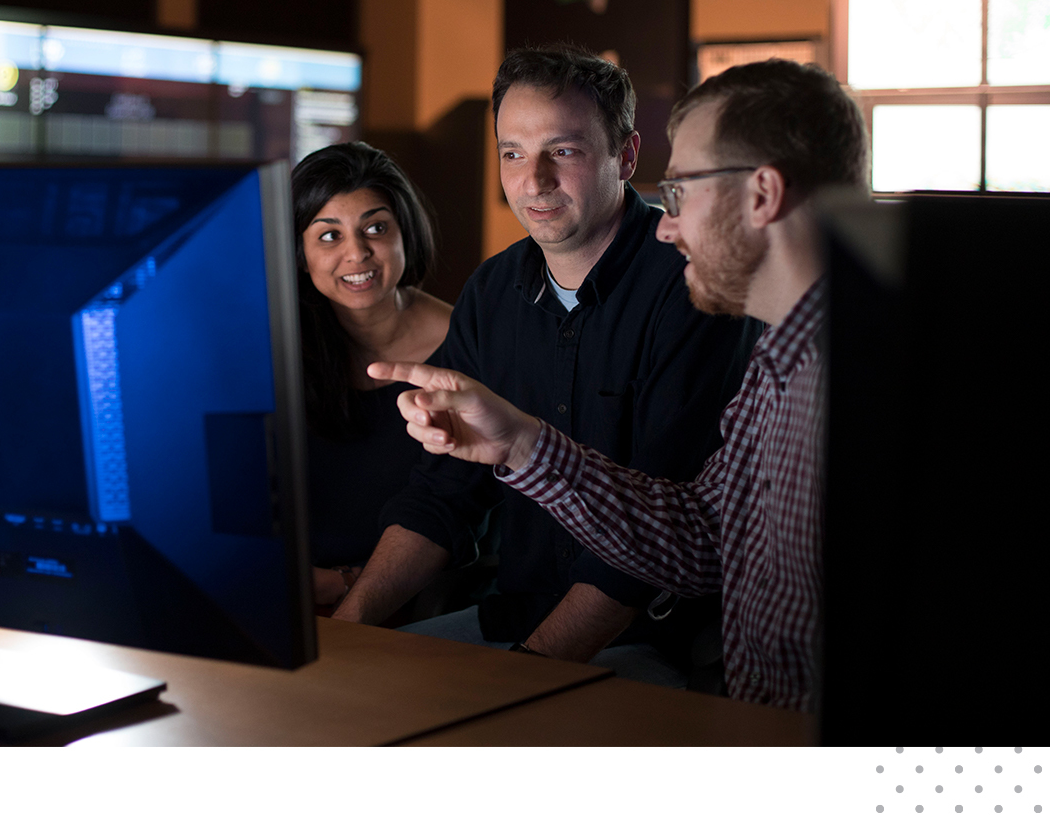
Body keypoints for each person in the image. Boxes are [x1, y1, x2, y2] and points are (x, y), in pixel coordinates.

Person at [371, 59, 869, 710]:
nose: (666, 223)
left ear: (762, 195)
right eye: (514, 153)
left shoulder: (857, 373)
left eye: (683, 191)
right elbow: (698, 536)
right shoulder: (782, 361)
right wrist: (520, 444)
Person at [333, 46, 761, 689]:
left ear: (628, 155)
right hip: (511, 617)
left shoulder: (695, 287)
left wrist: (526, 676)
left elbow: (658, 544)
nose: (533, 181)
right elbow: (440, 494)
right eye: (512, 153)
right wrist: (345, 631)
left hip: (648, 640)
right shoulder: (491, 291)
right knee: (348, 692)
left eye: (563, 151)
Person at [291, 142, 453, 611]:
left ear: (406, 234)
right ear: (300, 254)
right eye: (328, 236)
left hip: (424, 607)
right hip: (287, 596)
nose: (356, 253)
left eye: (375, 228)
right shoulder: (276, 345)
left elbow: (455, 512)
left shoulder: (465, 345)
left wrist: (345, 588)